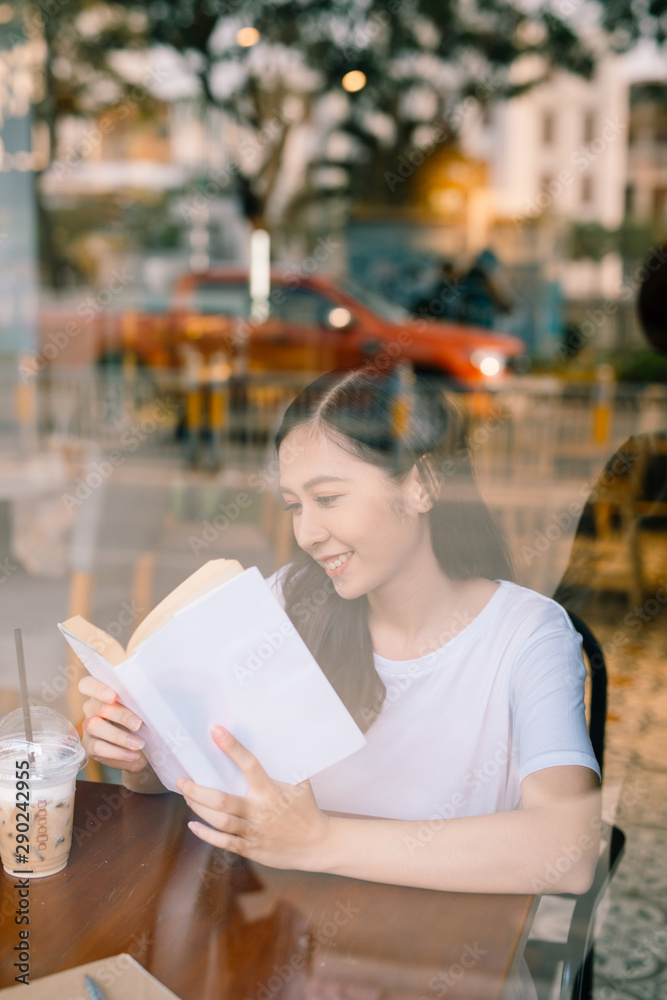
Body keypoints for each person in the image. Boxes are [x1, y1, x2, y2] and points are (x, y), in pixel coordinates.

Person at [80, 362, 600, 898]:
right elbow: (224, 778)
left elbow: (569, 851)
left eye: (328, 499)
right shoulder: (289, 604)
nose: (307, 533)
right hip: (285, 937)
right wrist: (142, 757)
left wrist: (320, 842)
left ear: (421, 485)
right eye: (294, 506)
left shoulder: (526, 636)